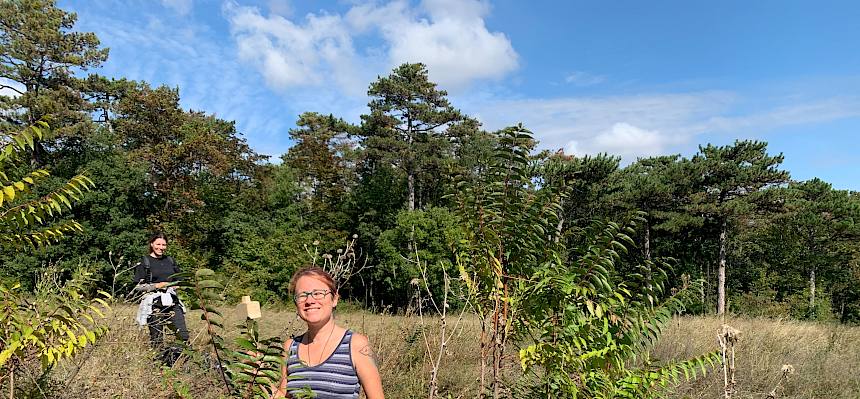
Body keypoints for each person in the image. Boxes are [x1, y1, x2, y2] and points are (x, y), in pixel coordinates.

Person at [273, 267, 384, 399]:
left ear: (334, 299)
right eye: (302, 295)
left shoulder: (355, 345)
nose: (310, 301)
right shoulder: (290, 347)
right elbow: (282, 396)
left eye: (318, 293)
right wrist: (256, 371)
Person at [133, 232, 189, 365]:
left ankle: (173, 360)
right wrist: (156, 285)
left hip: (172, 302)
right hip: (154, 304)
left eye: (164, 245)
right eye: (158, 244)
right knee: (157, 338)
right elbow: (137, 286)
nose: (161, 247)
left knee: (183, 335)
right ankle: (160, 365)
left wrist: (177, 285)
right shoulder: (144, 262)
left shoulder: (170, 260)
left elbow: (179, 278)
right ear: (152, 244)